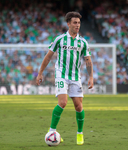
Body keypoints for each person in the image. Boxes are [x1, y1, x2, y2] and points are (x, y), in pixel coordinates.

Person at [36, 11, 93, 145]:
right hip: (61, 75)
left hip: (75, 77)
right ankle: (52, 131)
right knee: (63, 102)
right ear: (68, 24)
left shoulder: (83, 42)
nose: (77, 25)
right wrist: (40, 73)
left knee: (78, 106)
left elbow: (88, 60)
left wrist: (91, 77)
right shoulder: (60, 39)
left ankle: (79, 134)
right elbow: (48, 56)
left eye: (79, 23)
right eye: (74, 22)